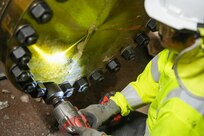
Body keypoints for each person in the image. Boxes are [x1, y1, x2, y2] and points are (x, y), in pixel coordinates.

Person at [67, 0, 204, 135]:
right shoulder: (184, 54)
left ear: (193, 39)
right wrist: (115, 105)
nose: (159, 30)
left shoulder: (181, 116)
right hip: (154, 124)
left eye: (165, 28)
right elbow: (153, 80)